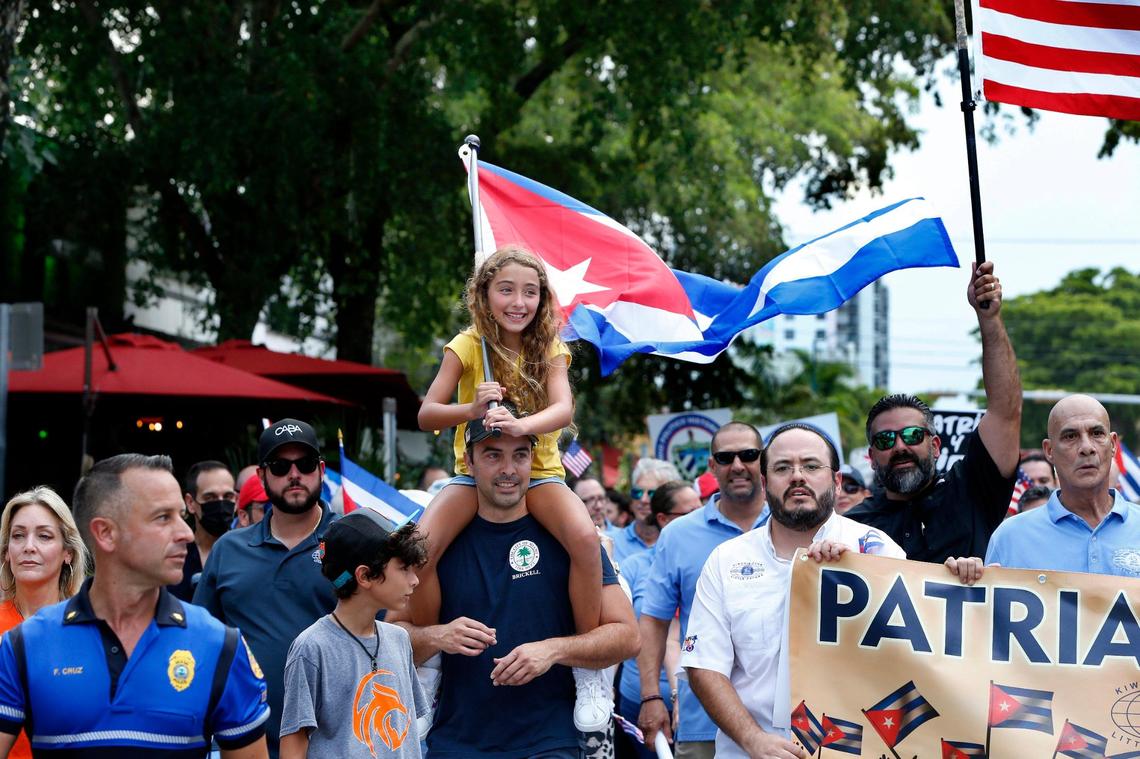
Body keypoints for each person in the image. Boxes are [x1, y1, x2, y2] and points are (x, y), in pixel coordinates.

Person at [413, 246, 607, 732]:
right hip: (471, 472)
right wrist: (471, 410)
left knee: (585, 539)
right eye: (506, 289)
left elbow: (563, 410)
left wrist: (523, 428)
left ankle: (588, 671)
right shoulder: (465, 345)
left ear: (542, 298)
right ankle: (430, 664)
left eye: (530, 291)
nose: (518, 301)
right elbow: (426, 414)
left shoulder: (551, 347)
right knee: (420, 548)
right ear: (484, 294)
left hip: (539, 472)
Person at [391, 418, 639, 758]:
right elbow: (387, 637)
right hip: (456, 743)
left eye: (520, 455)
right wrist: (436, 636)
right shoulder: (440, 544)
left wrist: (552, 651)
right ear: (470, 459)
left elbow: (627, 636)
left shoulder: (567, 537)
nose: (508, 469)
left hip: (551, 742)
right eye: (493, 455)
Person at [0, 454, 269, 757]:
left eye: (181, 515)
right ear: (105, 533)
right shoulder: (24, 645)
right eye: (163, 517)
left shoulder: (220, 644)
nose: (186, 533)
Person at [682, 424, 905, 759]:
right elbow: (704, 666)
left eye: (812, 466)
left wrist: (968, 586)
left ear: (837, 481)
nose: (797, 476)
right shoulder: (727, 561)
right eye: (783, 468)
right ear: (764, 482)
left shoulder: (875, 550)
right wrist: (753, 739)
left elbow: (913, 660)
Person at [847, 262, 1021, 564]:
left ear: (936, 445)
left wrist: (989, 319)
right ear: (872, 457)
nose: (900, 447)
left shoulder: (972, 491)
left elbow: (1006, 412)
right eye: (886, 440)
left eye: (913, 436)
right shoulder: (851, 529)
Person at [195, 418, 338, 758]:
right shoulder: (228, 549)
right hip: (242, 739)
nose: (294, 475)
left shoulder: (352, 540)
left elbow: (383, 633)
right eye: (280, 465)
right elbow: (202, 640)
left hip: (336, 739)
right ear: (261, 477)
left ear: (320, 470)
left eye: (304, 464)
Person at [638, 421, 769, 759]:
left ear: (763, 460)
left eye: (748, 455)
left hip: (784, 721)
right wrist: (651, 696)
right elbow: (654, 621)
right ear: (712, 466)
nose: (737, 466)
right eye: (725, 458)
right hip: (703, 724)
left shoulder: (791, 525)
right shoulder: (678, 535)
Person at [280, 512, 429, 759]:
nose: (414, 580)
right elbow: (294, 743)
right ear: (364, 576)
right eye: (403, 568)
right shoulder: (311, 647)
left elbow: (406, 731)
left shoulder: (399, 639)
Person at [984, 394, 1140, 576]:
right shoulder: (1009, 538)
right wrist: (963, 581)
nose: (1087, 447)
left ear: (1113, 444)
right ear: (1049, 451)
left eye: (1097, 433)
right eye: (1070, 436)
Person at [0, 487, 89, 759]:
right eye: (18, 536)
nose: (29, 546)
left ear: (68, 553)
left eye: (44, 536)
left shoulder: (91, 629)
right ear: (6, 553)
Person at [616, 482, 700, 759]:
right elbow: (622, 632)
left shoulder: (711, 558)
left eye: (702, 509)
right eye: (689, 513)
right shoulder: (634, 567)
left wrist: (679, 696)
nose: (699, 518)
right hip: (642, 697)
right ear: (664, 520)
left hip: (698, 698)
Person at [170, 460, 237, 601]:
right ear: (190, 503)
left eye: (227, 497)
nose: (220, 504)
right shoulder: (173, 557)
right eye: (210, 497)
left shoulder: (250, 554)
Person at [611, 459, 682, 565]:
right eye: (637, 492)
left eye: (652, 493)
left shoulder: (680, 543)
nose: (643, 500)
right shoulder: (610, 543)